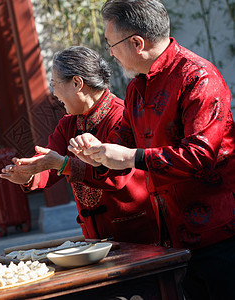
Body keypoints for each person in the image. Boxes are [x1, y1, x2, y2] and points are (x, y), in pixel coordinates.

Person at [68, 1, 235, 299]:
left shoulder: (198, 77)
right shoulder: (136, 88)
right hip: (171, 237)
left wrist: (131, 157)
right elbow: (123, 146)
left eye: (111, 45)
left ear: (136, 43)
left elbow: (199, 156)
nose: (111, 53)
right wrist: (97, 151)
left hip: (218, 235)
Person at [0, 46, 159, 245]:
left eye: (55, 84)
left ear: (77, 83)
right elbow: (49, 161)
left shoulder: (121, 116)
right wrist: (29, 173)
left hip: (134, 233)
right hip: (94, 236)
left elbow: (115, 177)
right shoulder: (68, 124)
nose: (54, 93)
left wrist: (63, 164)